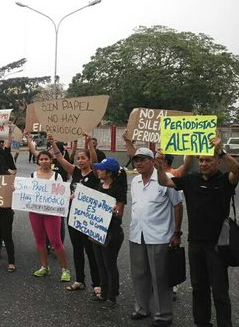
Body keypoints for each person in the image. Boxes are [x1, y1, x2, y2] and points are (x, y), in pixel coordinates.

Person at [156, 133, 239, 327]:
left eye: (208, 160)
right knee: (199, 288)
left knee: (219, 291)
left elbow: (237, 170)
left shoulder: (225, 180)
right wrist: (159, 168)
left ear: (217, 163)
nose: (203, 163)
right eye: (201, 160)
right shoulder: (191, 180)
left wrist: (222, 151)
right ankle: (202, 323)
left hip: (218, 245)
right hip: (195, 244)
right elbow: (164, 182)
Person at [129, 147, 183, 327]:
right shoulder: (135, 180)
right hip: (137, 234)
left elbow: (177, 205)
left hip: (159, 236)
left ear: (153, 161)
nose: (139, 163)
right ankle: (142, 308)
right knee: (139, 275)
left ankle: (163, 315)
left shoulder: (166, 180)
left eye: (143, 159)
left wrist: (177, 232)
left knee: (160, 278)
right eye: (136, 160)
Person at [51, 133, 102, 294]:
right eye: (78, 158)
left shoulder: (95, 174)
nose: (80, 160)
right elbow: (60, 158)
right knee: (77, 250)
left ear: (89, 160)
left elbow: (96, 161)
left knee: (91, 252)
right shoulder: (75, 172)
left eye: (83, 158)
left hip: (88, 219)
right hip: (73, 217)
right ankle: (80, 280)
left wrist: (90, 145)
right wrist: (53, 142)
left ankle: (97, 284)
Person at [26, 146, 71, 282]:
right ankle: (44, 266)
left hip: (52, 213)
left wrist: (69, 196)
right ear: (38, 161)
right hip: (35, 212)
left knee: (56, 241)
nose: (44, 161)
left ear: (51, 161)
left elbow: (63, 193)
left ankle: (64, 269)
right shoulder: (33, 176)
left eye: (46, 159)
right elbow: (27, 192)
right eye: (41, 159)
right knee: (39, 240)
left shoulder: (57, 176)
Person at [91, 157, 127, 309]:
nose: (98, 171)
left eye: (101, 169)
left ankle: (112, 296)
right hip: (98, 230)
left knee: (109, 264)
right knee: (100, 263)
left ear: (110, 173)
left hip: (111, 232)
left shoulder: (118, 189)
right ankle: (104, 292)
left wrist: (114, 211)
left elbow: (119, 213)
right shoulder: (100, 185)